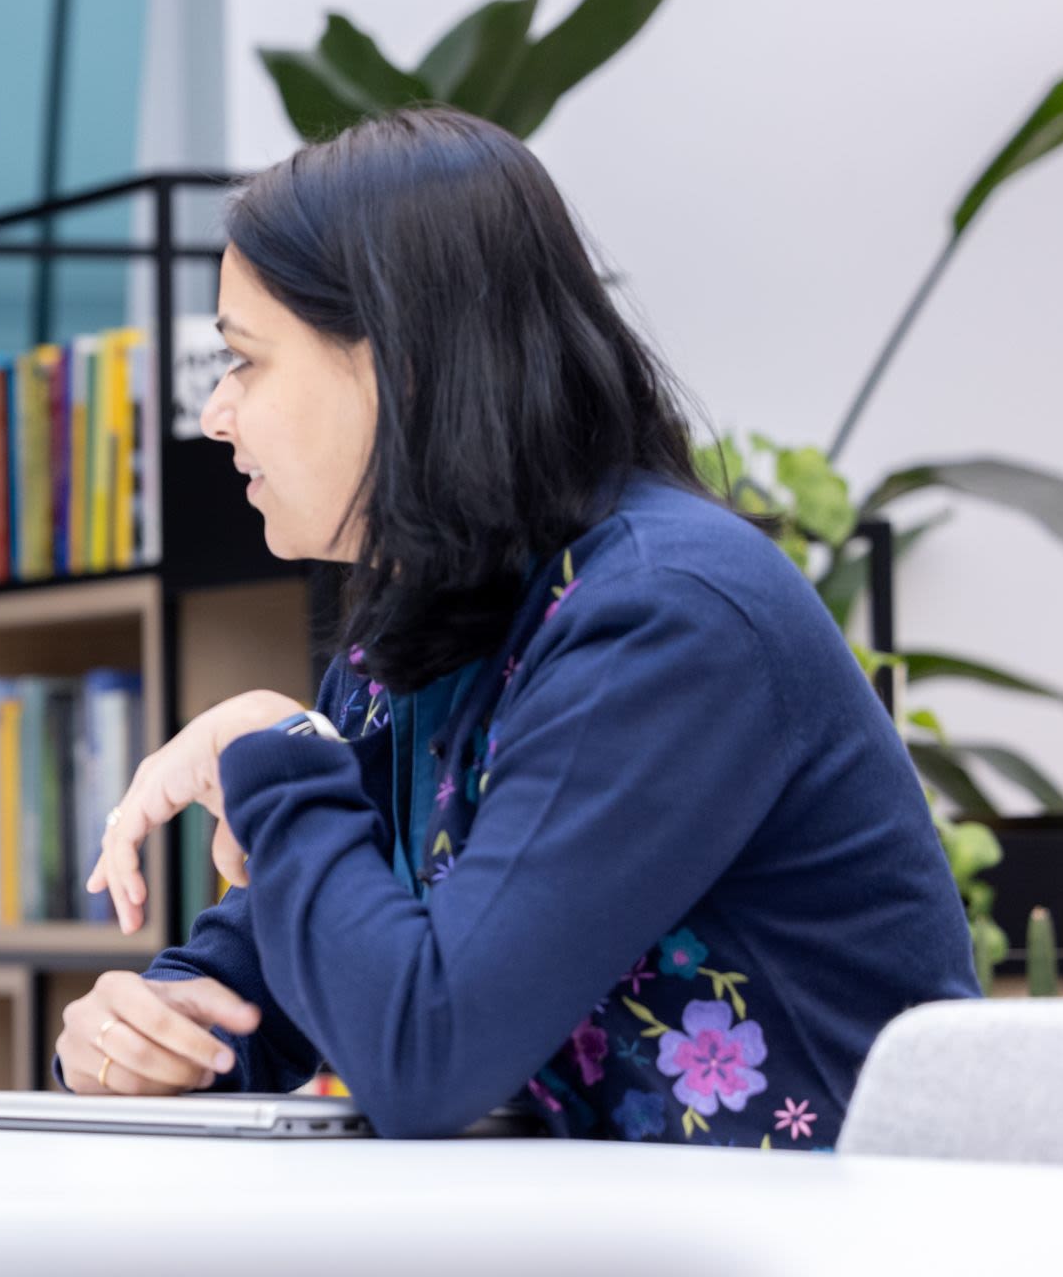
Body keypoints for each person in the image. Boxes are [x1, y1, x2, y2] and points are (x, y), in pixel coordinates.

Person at [54, 109, 976, 1146]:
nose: (217, 415)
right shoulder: (431, 611)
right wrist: (143, 1031)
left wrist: (274, 755)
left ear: (397, 365)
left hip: (836, 1238)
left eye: (248, 362)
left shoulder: (662, 615)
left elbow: (425, 1054)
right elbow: (292, 978)